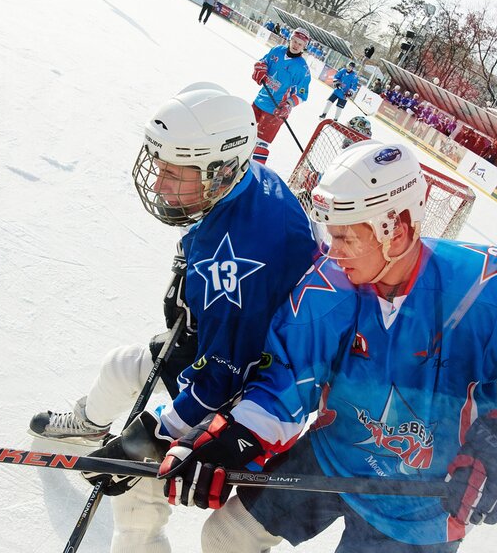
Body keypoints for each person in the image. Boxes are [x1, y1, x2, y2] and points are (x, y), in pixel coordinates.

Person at [154, 140, 497, 552]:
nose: (332, 252)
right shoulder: (327, 286)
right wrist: (226, 444)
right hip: (334, 455)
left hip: (426, 500)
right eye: (331, 234)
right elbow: (284, 383)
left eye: (346, 237)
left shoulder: (485, 286)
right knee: (226, 536)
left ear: (399, 227)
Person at [29, 82, 317, 552]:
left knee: (142, 477)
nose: (159, 183)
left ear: (222, 170)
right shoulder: (245, 184)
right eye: (159, 166)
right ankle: (89, 423)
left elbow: (224, 377)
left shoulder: (244, 260)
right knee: (121, 367)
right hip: (230, 341)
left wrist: (152, 436)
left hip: (254, 385)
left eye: (173, 173)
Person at [250, 28, 312, 164]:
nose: (296, 45)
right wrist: (259, 68)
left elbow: (302, 94)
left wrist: (288, 105)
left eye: (300, 44)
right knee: (244, 133)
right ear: (290, 39)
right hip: (259, 102)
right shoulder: (277, 50)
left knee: (260, 146)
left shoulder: (303, 69)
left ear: (304, 47)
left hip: (276, 112)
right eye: (295, 41)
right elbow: (263, 62)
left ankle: (255, 171)